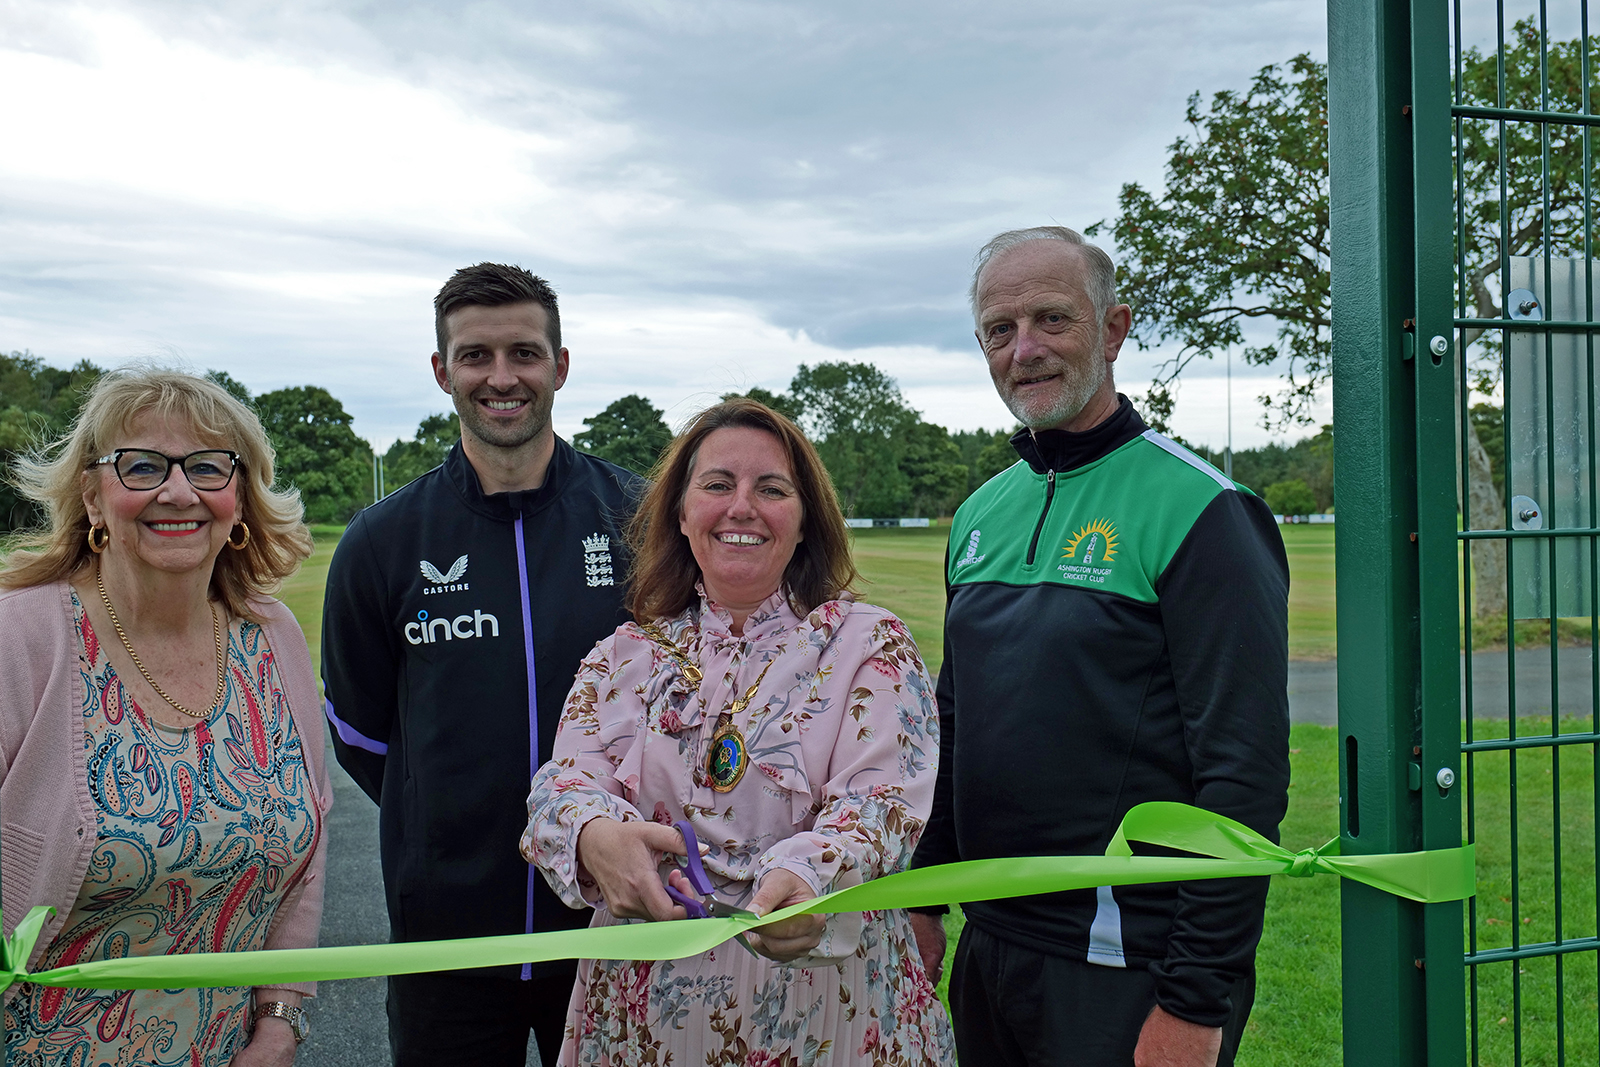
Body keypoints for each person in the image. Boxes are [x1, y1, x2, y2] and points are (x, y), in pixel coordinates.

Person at [908, 226, 1290, 1067]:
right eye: (999, 330)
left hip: (1129, 970)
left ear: (1113, 330)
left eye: (1052, 319)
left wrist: (1195, 998)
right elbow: (955, 716)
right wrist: (925, 894)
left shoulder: (1204, 511)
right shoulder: (979, 514)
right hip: (991, 940)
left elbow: (1245, 776)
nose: (1026, 349)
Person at [522, 398, 956, 1067]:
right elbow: (564, 784)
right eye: (718, 484)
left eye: (772, 488)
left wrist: (811, 873)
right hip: (646, 1014)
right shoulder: (623, 654)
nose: (742, 506)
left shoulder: (869, 645)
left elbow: (883, 804)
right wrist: (593, 834)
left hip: (821, 1005)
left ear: (806, 519)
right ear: (682, 512)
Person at [321, 263, 642, 1066]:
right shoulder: (383, 541)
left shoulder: (639, 519)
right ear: (442, 372)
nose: (502, 377)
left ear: (560, 366)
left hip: (613, 928)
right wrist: (446, 822)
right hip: (447, 944)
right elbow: (362, 735)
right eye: (476, 356)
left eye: (525, 353)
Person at [0, 366, 329, 1067]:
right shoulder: (19, 639)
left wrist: (278, 1020)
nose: (177, 491)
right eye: (142, 465)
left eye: (209, 467)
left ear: (237, 499)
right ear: (92, 494)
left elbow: (312, 841)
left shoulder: (271, 636)